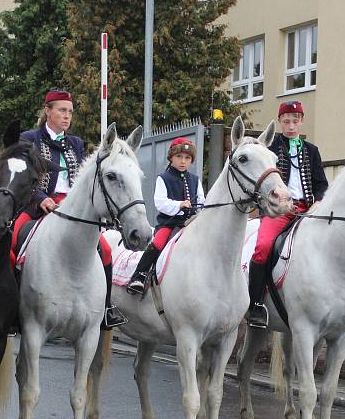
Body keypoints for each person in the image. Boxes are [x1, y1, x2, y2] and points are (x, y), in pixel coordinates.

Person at [14, 88, 127, 329]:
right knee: (12, 239)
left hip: (72, 208)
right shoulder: (29, 138)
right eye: (62, 111)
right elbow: (24, 177)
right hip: (38, 206)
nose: (67, 116)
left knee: (105, 250)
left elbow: (83, 182)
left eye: (70, 112)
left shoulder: (75, 143)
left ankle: (106, 309)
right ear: (48, 112)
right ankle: (10, 304)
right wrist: (41, 198)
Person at [246, 100, 328, 328]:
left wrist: (317, 203)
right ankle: (256, 305)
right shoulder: (271, 148)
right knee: (263, 247)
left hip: (308, 210)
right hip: (278, 210)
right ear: (280, 122)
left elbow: (321, 184)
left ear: (301, 121)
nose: (291, 126)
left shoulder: (312, 151)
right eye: (286, 121)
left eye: (295, 121)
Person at [126, 138, 204, 294]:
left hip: (191, 223)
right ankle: (138, 276)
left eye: (187, 158)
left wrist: (199, 207)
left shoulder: (195, 179)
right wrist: (179, 205)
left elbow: (201, 199)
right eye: (179, 157)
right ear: (171, 157)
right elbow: (160, 203)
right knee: (158, 244)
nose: (183, 161)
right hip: (169, 223)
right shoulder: (163, 178)